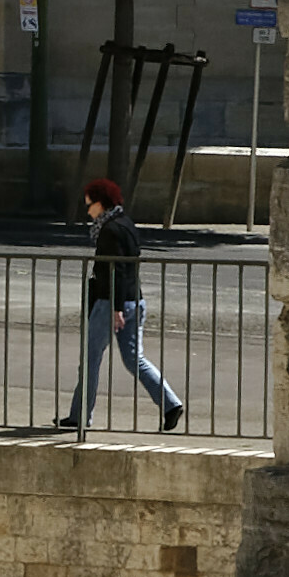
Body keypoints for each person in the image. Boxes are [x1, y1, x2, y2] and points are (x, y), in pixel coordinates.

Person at [60, 169, 189, 437]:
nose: (88, 211)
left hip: (111, 303)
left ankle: (80, 416)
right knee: (135, 360)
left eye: (90, 205)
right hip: (134, 301)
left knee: (91, 359)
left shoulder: (109, 230)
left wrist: (116, 307)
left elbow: (115, 269)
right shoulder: (127, 224)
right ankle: (170, 404)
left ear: (100, 202)